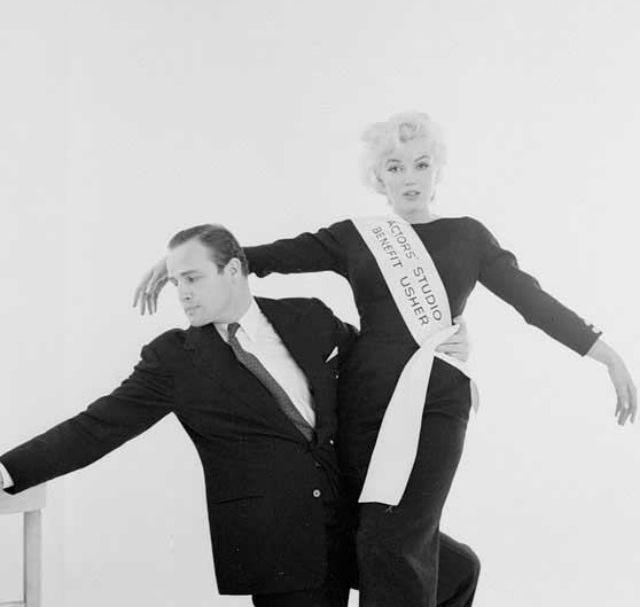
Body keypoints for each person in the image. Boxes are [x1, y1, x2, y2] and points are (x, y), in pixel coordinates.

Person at [133, 113, 637, 607]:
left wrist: (605, 354)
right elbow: (271, 257)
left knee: (392, 540)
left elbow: (532, 301)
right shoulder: (358, 236)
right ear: (379, 177)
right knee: (379, 538)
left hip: (433, 401)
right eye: (395, 167)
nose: (409, 178)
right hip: (363, 400)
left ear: (438, 170)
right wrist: (184, 263)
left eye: (421, 164)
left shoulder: (468, 235)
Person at [1, 223, 478, 607]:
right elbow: (94, 428)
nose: (182, 294)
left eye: (192, 278)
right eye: (174, 283)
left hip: (350, 521)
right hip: (279, 545)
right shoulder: (174, 359)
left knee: (457, 571)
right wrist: (8, 469)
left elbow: (381, 365)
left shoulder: (308, 317)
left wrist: (445, 347)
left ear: (233, 271)